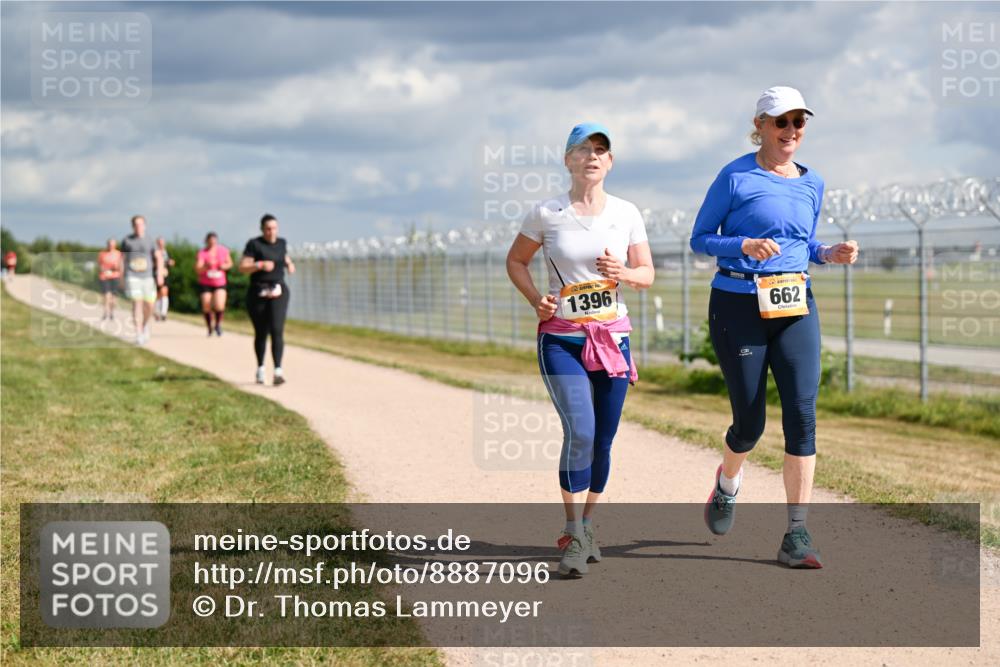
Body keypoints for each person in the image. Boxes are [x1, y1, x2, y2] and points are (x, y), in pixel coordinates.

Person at [690, 86, 859, 569]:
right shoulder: (735, 176)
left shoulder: (813, 182)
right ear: (760, 125)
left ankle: (797, 533)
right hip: (738, 303)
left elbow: (802, 243)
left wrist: (830, 254)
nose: (790, 132)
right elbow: (700, 239)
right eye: (780, 122)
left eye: (798, 123)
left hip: (795, 303)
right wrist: (743, 244)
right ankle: (727, 483)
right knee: (749, 423)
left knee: (802, 414)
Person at [506, 123, 654, 577]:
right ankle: (572, 532)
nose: (592, 157)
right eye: (583, 150)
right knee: (582, 432)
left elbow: (646, 274)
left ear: (610, 162)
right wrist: (537, 300)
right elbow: (515, 261)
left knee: (604, 439)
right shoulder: (547, 213)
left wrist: (624, 272)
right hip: (562, 339)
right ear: (567, 160)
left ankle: (588, 526)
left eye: (601, 151)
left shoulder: (627, 212)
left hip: (613, 338)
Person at [239, 214, 295, 385]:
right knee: (261, 332)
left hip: (278, 290)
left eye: (274, 228)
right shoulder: (254, 245)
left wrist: (289, 264)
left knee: (277, 329)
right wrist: (259, 265)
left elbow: (283, 257)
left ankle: (278, 370)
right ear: (262, 229)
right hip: (258, 292)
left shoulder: (282, 243)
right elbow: (242, 267)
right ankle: (261, 368)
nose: (272, 232)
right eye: (268, 229)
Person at [120, 215, 163, 345]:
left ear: (145, 225)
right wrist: (121, 277)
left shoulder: (150, 241)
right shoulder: (127, 241)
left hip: (148, 277)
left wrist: (160, 274)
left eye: (141, 224)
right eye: (136, 224)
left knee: (150, 305)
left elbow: (158, 258)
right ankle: (138, 333)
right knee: (137, 303)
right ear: (133, 226)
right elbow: (122, 259)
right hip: (132, 276)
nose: (138, 227)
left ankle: (144, 325)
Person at [196, 232, 232, 336]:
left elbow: (230, 263)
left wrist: (223, 266)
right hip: (205, 282)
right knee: (206, 305)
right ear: (206, 241)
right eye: (210, 242)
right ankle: (209, 327)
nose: (212, 244)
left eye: (214, 242)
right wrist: (206, 266)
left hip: (219, 282)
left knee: (219, 305)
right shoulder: (202, 253)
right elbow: (198, 269)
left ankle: (218, 324)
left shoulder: (223, 250)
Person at [97, 239, 122, 320]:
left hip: (115, 276)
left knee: (113, 298)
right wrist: (104, 270)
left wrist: (116, 268)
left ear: (115, 245)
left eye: (112, 245)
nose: (110, 246)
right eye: (109, 244)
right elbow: (100, 265)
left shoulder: (118, 254)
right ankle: (105, 313)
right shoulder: (102, 253)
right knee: (106, 296)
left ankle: (112, 313)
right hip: (104, 276)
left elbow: (120, 266)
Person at [154, 237, 175, 321]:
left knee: (164, 292)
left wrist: (170, 263)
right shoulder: (154, 253)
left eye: (162, 242)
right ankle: (157, 312)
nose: (161, 244)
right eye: (159, 242)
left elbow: (172, 261)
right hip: (156, 275)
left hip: (165, 275)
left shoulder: (167, 253)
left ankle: (163, 313)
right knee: (158, 295)